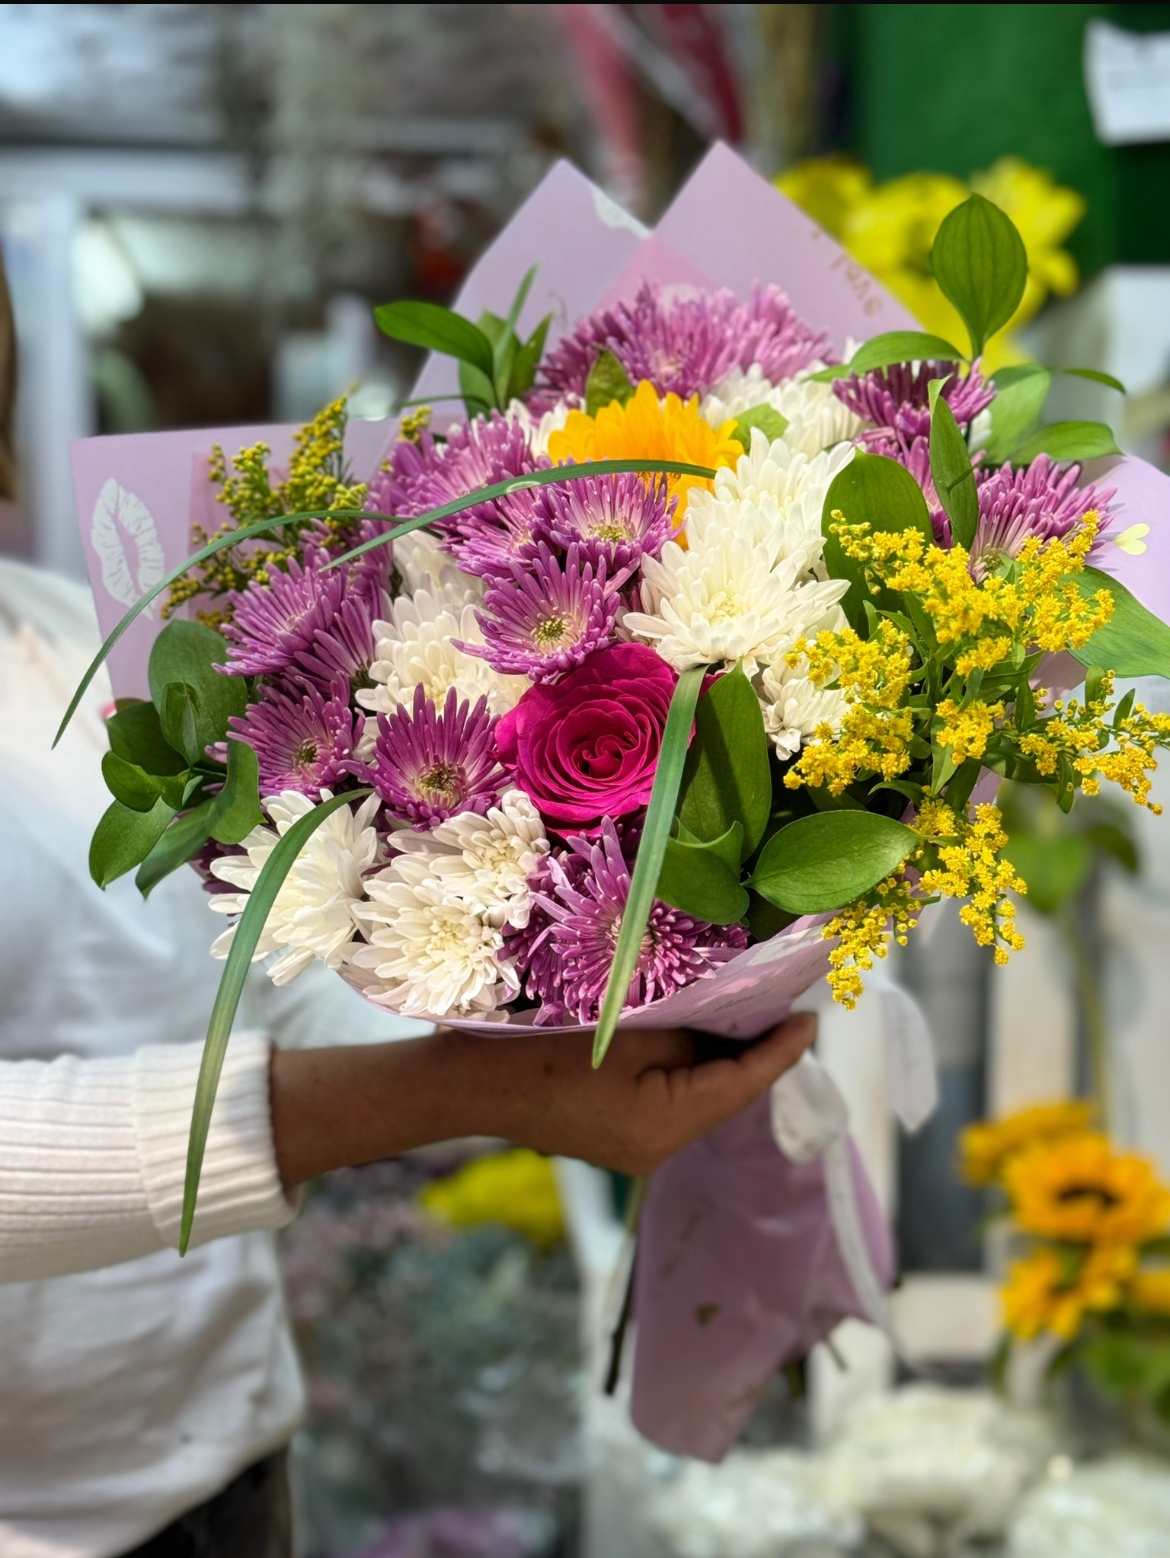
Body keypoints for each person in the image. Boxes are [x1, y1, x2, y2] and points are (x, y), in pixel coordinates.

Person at [0, 258, 814, 1558]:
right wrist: (473, 1092)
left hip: (218, 1462)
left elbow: (260, 961)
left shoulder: (53, 629)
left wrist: (579, 992)